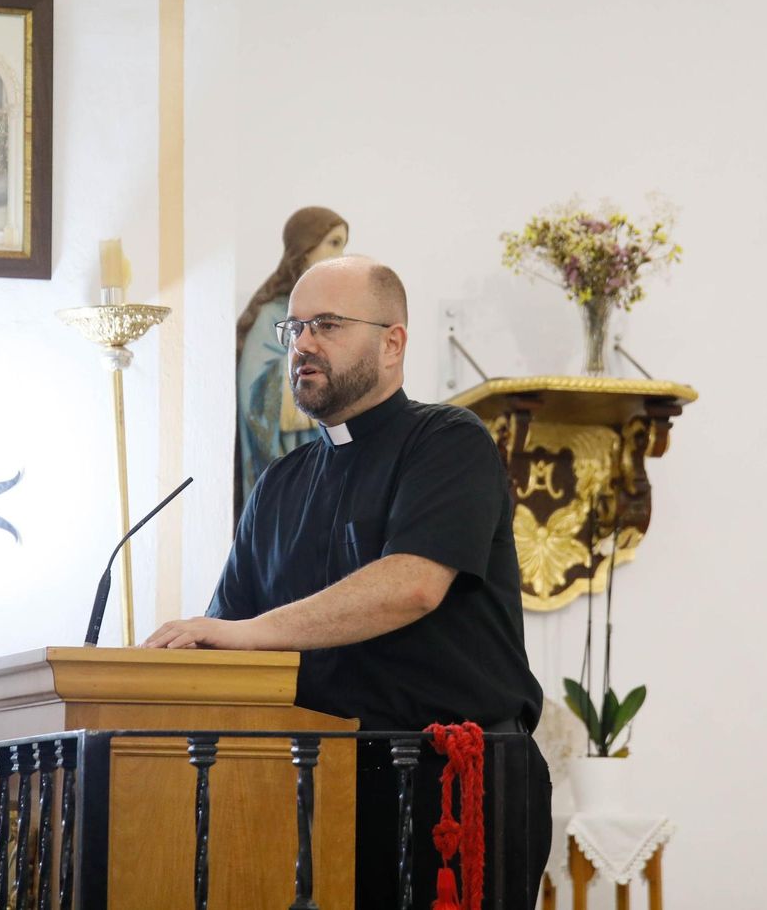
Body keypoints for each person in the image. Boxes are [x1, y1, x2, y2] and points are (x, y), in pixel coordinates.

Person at [147, 256, 551, 909]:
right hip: (313, 784)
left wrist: (245, 633)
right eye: (294, 328)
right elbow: (227, 646)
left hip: (452, 779)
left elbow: (413, 585)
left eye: (327, 325)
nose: (302, 344)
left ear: (392, 343)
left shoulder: (448, 441)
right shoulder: (278, 484)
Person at [234, 208, 349, 518]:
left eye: (343, 245)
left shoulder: (331, 312)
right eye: (334, 243)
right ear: (306, 249)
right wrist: (322, 383)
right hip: (284, 456)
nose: (341, 254)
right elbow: (254, 392)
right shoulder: (272, 315)